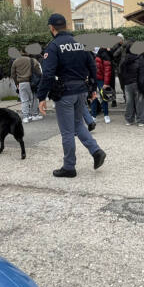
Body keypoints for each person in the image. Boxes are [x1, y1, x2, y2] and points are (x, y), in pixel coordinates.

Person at [37, 13, 106, 178]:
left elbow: (47, 74)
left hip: (65, 93)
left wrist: (41, 97)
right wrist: (93, 88)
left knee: (67, 132)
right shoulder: (80, 44)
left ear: (51, 28)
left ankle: (69, 167)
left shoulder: (53, 46)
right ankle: (96, 151)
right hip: (81, 90)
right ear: (66, 26)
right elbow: (92, 67)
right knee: (79, 125)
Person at [11, 53, 43, 124]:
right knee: (34, 98)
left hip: (21, 83)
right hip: (32, 83)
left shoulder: (16, 61)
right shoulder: (33, 60)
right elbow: (39, 72)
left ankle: (26, 117)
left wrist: (17, 83)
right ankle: (34, 115)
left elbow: (13, 74)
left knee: (24, 100)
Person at [122, 46, 144, 127]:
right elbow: (142, 73)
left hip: (127, 83)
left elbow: (121, 72)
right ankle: (141, 121)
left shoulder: (125, 59)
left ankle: (129, 120)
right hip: (137, 83)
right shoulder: (139, 59)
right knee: (139, 102)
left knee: (129, 103)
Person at [91, 48, 112, 124]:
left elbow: (107, 69)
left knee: (103, 97)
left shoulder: (103, 53)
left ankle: (106, 115)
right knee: (93, 97)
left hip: (101, 79)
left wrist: (106, 82)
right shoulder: (89, 53)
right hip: (92, 79)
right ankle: (93, 116)